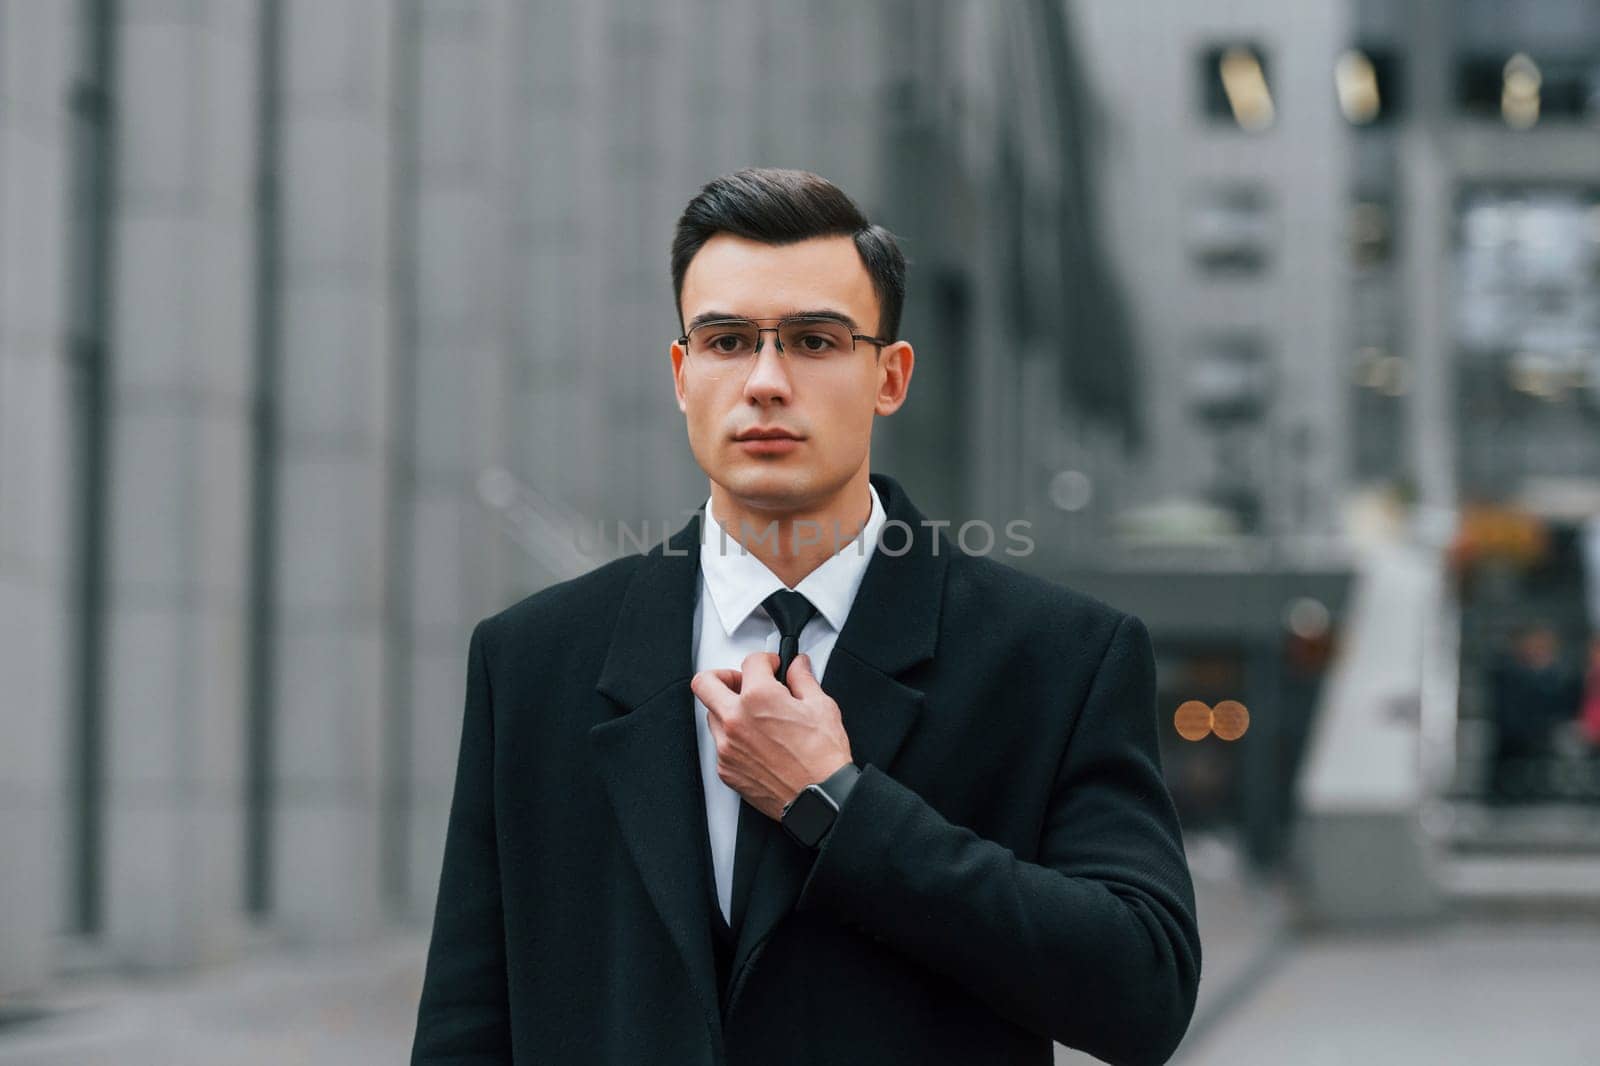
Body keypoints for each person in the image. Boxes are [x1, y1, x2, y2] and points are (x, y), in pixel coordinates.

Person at [411, 168, 1201, 1065]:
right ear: (681, 374)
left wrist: (841, 806)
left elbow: (1145, 990)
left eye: (815, 341)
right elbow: (465, 1026)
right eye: (727, 340)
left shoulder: (1059, 658)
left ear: (889, 376)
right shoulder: (529, 661)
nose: (765, 381)